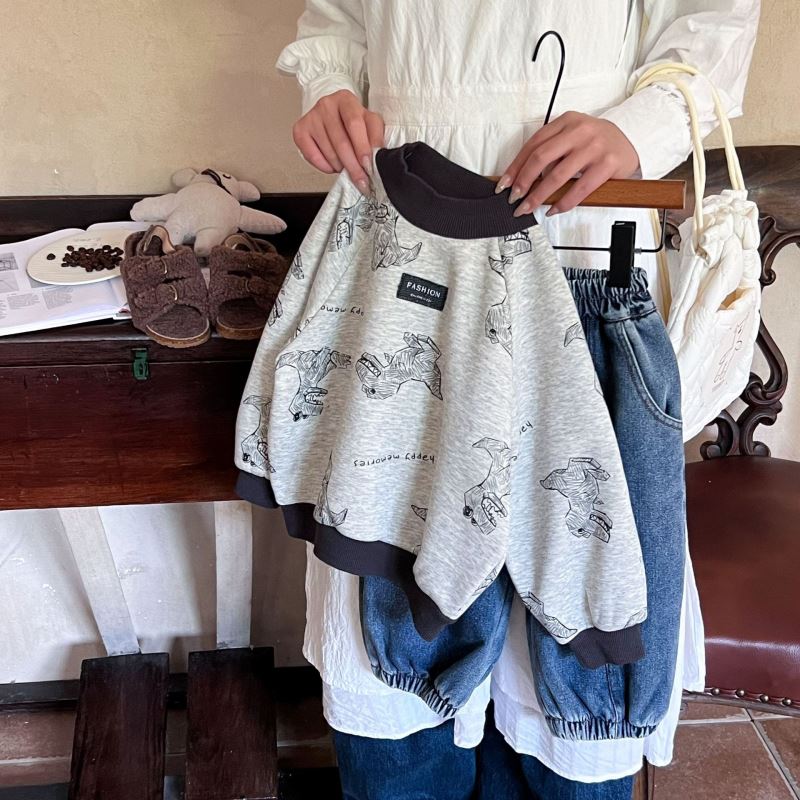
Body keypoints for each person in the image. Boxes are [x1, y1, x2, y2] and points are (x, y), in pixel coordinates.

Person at [274, 2, 760, 797]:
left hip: (582, 242)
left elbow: (714, 21)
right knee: (392, 611)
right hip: (405, 257)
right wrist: (329, 87)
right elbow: (338, 21)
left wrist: (638, 126)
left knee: (572, 645)